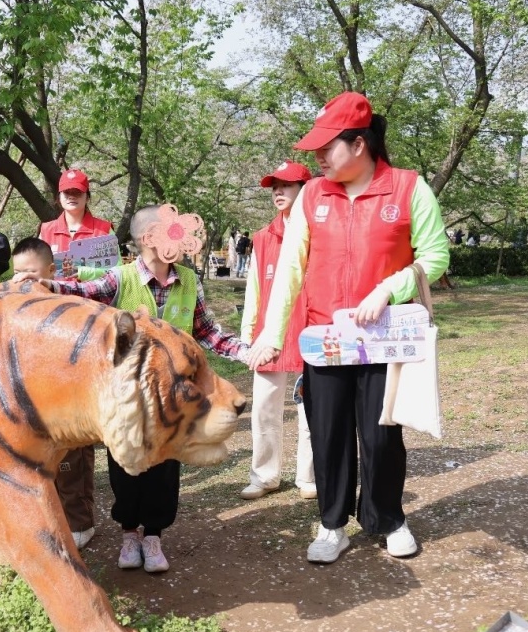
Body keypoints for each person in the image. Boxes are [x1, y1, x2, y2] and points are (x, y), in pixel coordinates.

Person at [247, 92, 450, 564]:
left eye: (327, 146)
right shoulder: (314, 195)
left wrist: (389, 288)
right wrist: (271, 335)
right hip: (327, 339)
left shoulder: (408, 188)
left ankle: (388, 518)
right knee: (328, 432)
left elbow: (435, 256)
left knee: (381, 435)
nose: (318, 157)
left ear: (359, 144)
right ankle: (331, 523)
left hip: (384, 336)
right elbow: (291, 269)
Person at [16, 204, 249, 573]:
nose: (177, 237)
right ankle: (129, 535)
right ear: (147, 239)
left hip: (174, 401)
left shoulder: (189, 281)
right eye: (168, 230)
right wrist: (45, 284)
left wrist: (247, 352)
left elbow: (208, 331)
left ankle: (153, 536)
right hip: (129, 399)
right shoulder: (120, 278)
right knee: (126, 467)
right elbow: (83, 290)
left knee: (165, 470)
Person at [38, 168, 115, 549]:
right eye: (66, 192)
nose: (72, 198)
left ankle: (82, 515)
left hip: (86, 330)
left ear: (87, 195)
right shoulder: (45, 229)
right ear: (58, 195)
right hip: (50, 332)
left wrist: (79, 273)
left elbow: (110, 277)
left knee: (79, 424)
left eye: (78, 192)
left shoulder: (103, 228)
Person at [240, 161, 317, 501]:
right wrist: (248, 336)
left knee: (311, 408)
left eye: (287, 185)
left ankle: (310, 477)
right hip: (269, 336)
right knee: (265, 408)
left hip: (309, 331)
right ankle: (264, 475)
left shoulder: (319, 233)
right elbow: (253, 290)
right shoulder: (262, 238)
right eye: (275, 186)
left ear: (305, 189)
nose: (278, 191)